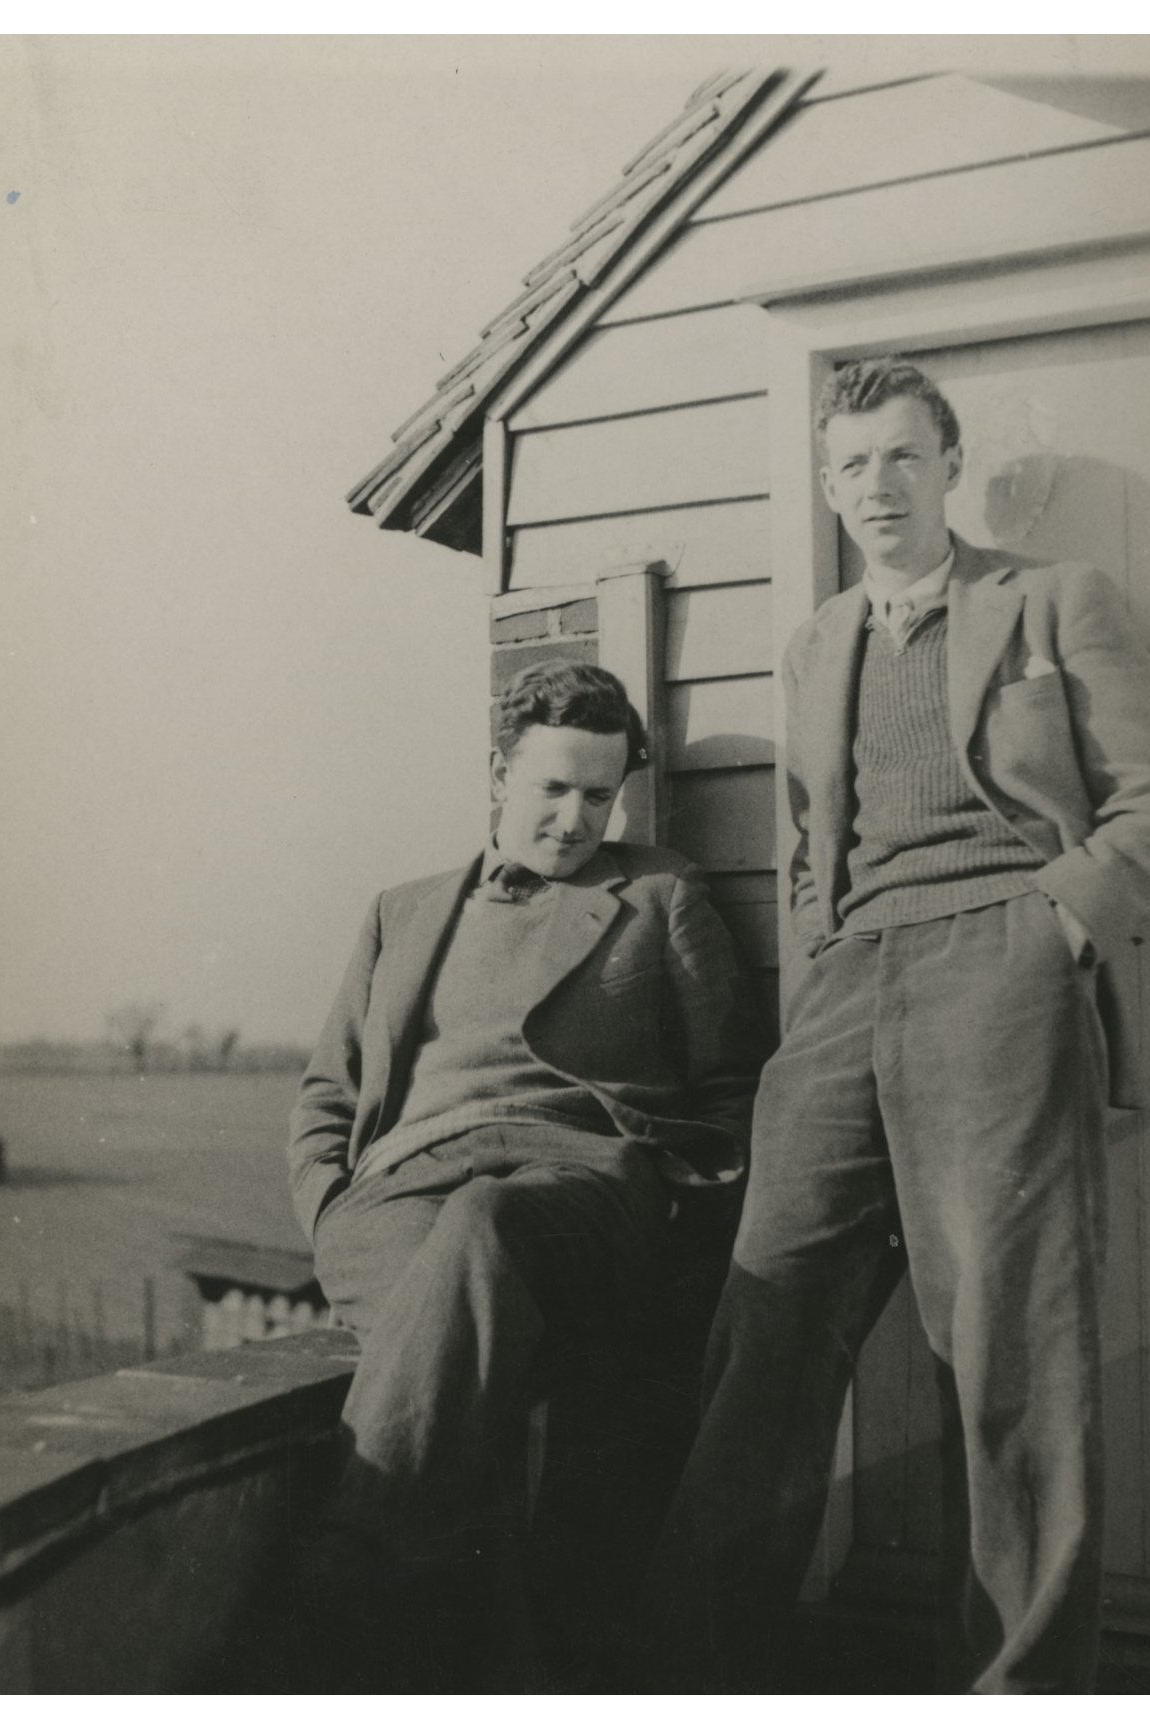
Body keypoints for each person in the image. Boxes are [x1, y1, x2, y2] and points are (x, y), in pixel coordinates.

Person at [651, 357, 1150, 1691]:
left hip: (1000, 965)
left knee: (1008, 1348)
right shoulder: (816, 642)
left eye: (901, 457)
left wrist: (1050, 931)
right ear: (830, 488)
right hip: (847, 987)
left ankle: (1016, 1687)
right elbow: (807, 845)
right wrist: (827, 956)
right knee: (765, 1321)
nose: (875, 488)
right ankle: (695, 1671)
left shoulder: (1052, 601)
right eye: (850, 467)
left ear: (949, 466)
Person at [287, 658, 762, 1689]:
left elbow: (730, 1081)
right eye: (553, 788)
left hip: (576, 1185)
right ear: (498, 774)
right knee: (464, 1333)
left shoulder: (658, 893)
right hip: (401, 1193)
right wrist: (329, 1208)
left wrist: (682, 1198)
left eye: (599, 794)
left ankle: (353, 1556)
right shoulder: (400, 912)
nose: (576, 817)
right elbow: (328, 1095)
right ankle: (497, 1677)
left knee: (485, 1230)